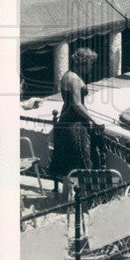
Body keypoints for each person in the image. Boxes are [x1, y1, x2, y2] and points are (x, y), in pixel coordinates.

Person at [49, 48, 99, 189]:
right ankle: (81, 200)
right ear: (83, 63)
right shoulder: (74, 79)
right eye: (90, 64)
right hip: (75, 124)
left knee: (68, 165)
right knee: (82, 162)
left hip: (66, 119)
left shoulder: (67, 75)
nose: (91, 67)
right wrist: (94, 121)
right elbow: (77, 105)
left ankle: (67, 197)